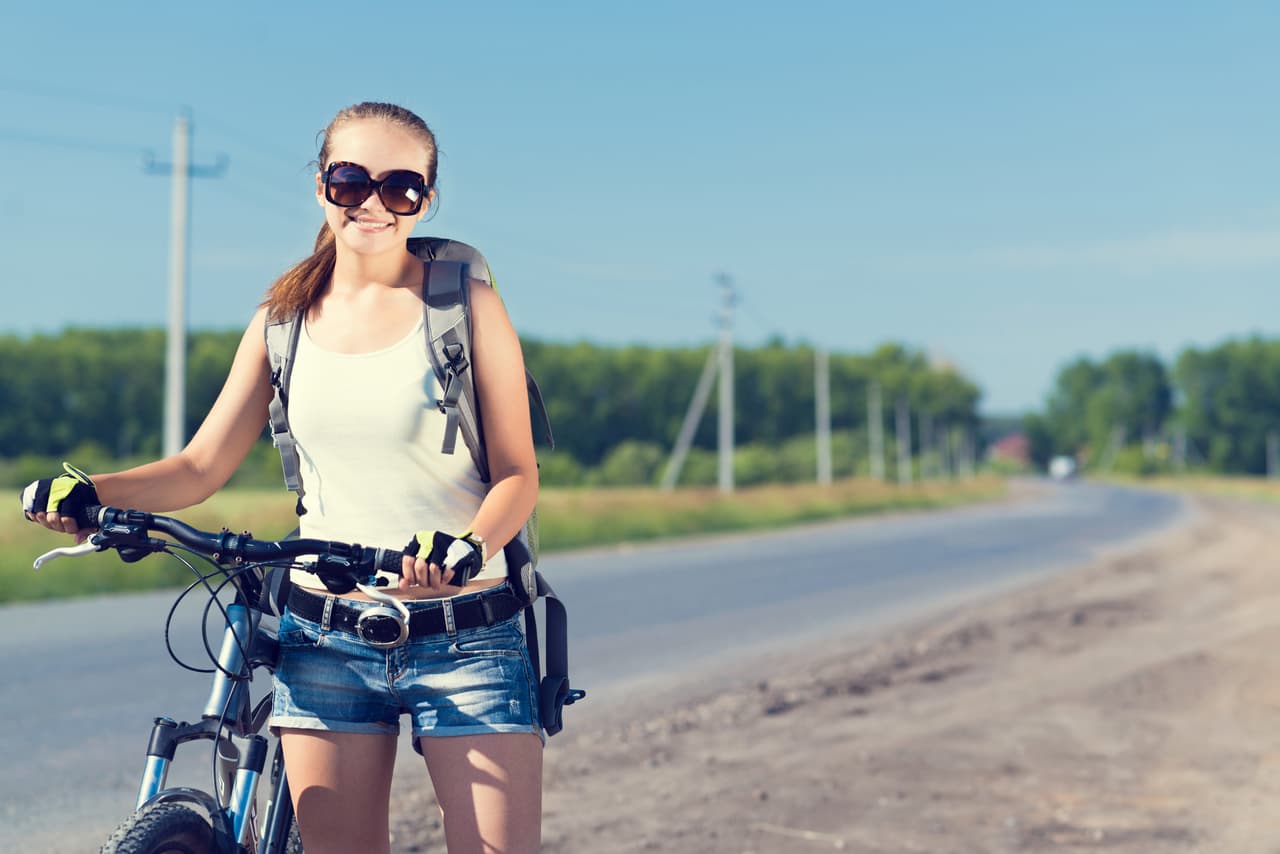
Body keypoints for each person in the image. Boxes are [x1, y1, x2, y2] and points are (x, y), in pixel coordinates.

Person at [20, 101, 544, 854]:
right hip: (324, 638)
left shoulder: (466, 307)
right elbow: (200, 467)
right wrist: (94, 492)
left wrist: (466, 546)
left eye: (400, 187)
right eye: (351, 180)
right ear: (323, 184)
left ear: (425, 199)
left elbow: (518, 476)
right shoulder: (283, 318)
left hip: (467, 633)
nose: (373, 203)